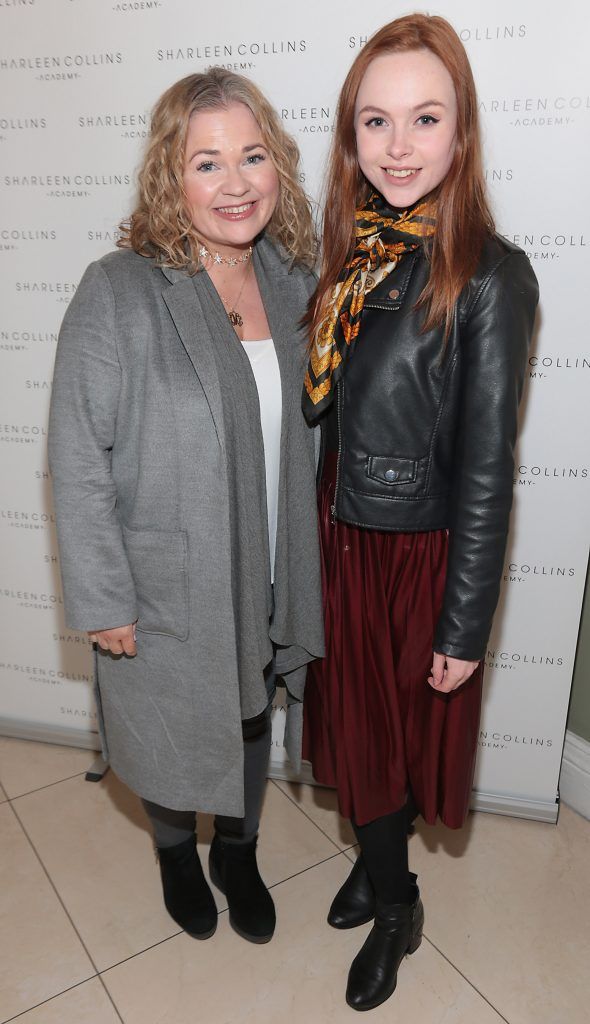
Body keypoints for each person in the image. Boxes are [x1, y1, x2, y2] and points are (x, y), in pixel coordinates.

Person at [48, 68, 324, 947]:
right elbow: (75, 456)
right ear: (172, 177)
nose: (235, 183)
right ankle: (176, 852)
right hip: (167, 573)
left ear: (277, 166)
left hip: (273, 556)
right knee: (173, 720)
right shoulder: (120, 288)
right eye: (207, 163)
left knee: (249, 711)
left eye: (252, 156)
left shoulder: (298, 285)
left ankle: (236, 853)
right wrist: (103, 598)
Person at [302, 14, 538, 1011]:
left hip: (418, 555)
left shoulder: (489, 274)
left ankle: (396, 903)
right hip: (338, 538)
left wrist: (463, 622)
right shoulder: (348, 257)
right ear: (351, 138)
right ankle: (376, 858)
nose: (398, 147)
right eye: (375, 121)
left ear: (460, 133)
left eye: (423, 119)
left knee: (392, 738)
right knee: (353, 733)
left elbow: (488, 467)